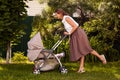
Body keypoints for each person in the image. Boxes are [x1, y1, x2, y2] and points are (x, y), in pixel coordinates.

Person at [53, 8, 107, 73]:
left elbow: (75, 26)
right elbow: (71, 28)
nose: (56, 16)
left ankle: (101, 57)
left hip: (78, 33)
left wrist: (69, 33)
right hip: (74, 35)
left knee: (86, 48)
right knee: (81, 50)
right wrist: (70, 36)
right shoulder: (64, 20)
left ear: (60, 13)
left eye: (56, 14)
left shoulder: (66, 18)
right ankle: (81, 68)